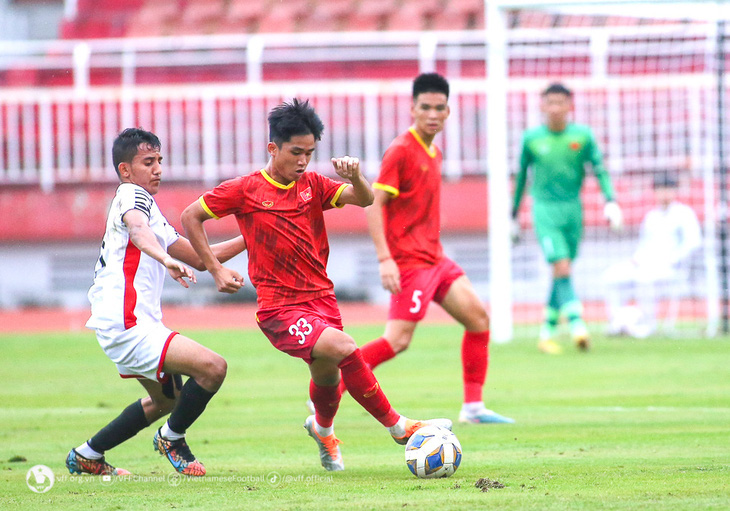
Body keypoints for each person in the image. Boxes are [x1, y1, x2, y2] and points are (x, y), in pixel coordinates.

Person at [181, 99, 451, 472]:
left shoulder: (313, 185)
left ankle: (322, 430)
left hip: (322, 299)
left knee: (327, 376)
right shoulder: (245, 189)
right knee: (344, 346)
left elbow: (366, 198)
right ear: (273, 148)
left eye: (310, 153)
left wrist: (354, 176)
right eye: (296, 152)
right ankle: (398, 426)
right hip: (279, 307)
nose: (303, 161)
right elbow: (190, 216)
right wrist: (214, 269)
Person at [66, 128, 246, 477]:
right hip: (127, 323)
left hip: (130, 322)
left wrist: (253, 234)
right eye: (148, 162)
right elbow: (138, 231)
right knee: (213, 368)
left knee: (168, 400)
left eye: (160, 161)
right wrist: (164, 260)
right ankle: (172, 438)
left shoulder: (150, 206)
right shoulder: (131, 197)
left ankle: (88, 454)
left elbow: (199, 257)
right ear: (126, 170)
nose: (158, 169)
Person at [350, 72, 512, 425]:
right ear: (413, 108)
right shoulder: (400, 150)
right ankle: (327, 388)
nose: (433, 114)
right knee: (397, 340)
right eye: (426, 107)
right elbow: (374, 204)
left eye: (440, 108)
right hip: (408, 262)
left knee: (478, 319)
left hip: (435, 258)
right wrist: (385, 259)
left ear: (449, 112)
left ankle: (473, 408)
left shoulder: (434, 150)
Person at [511, 82, 623, 355]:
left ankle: (546, 333)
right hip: (545, 210)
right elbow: (522, 178)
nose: (556, 108)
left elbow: (599, 169)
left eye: (561, 103)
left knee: (562, 273)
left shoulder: (582, 136)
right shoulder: (532, 139)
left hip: (574, 210)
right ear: (542, 105)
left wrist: (610, 200)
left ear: (570, 106)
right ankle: (577, 325)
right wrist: (512, 215)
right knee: (561, 267)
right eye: (551, 103)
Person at [603, 172, 701, 338]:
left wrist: (674, 259)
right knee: (610, 276)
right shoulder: (651, 217)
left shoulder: (684, 214)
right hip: (646, 264)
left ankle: (648, 325)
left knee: (644, 278)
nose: (664, 193)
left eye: (667, 189)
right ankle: (617, 322)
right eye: (660, 190)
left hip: (671, 268)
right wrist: (637, 258)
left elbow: (693, 242)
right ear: (654, 192)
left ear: (674, 191)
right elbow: (643, 244)